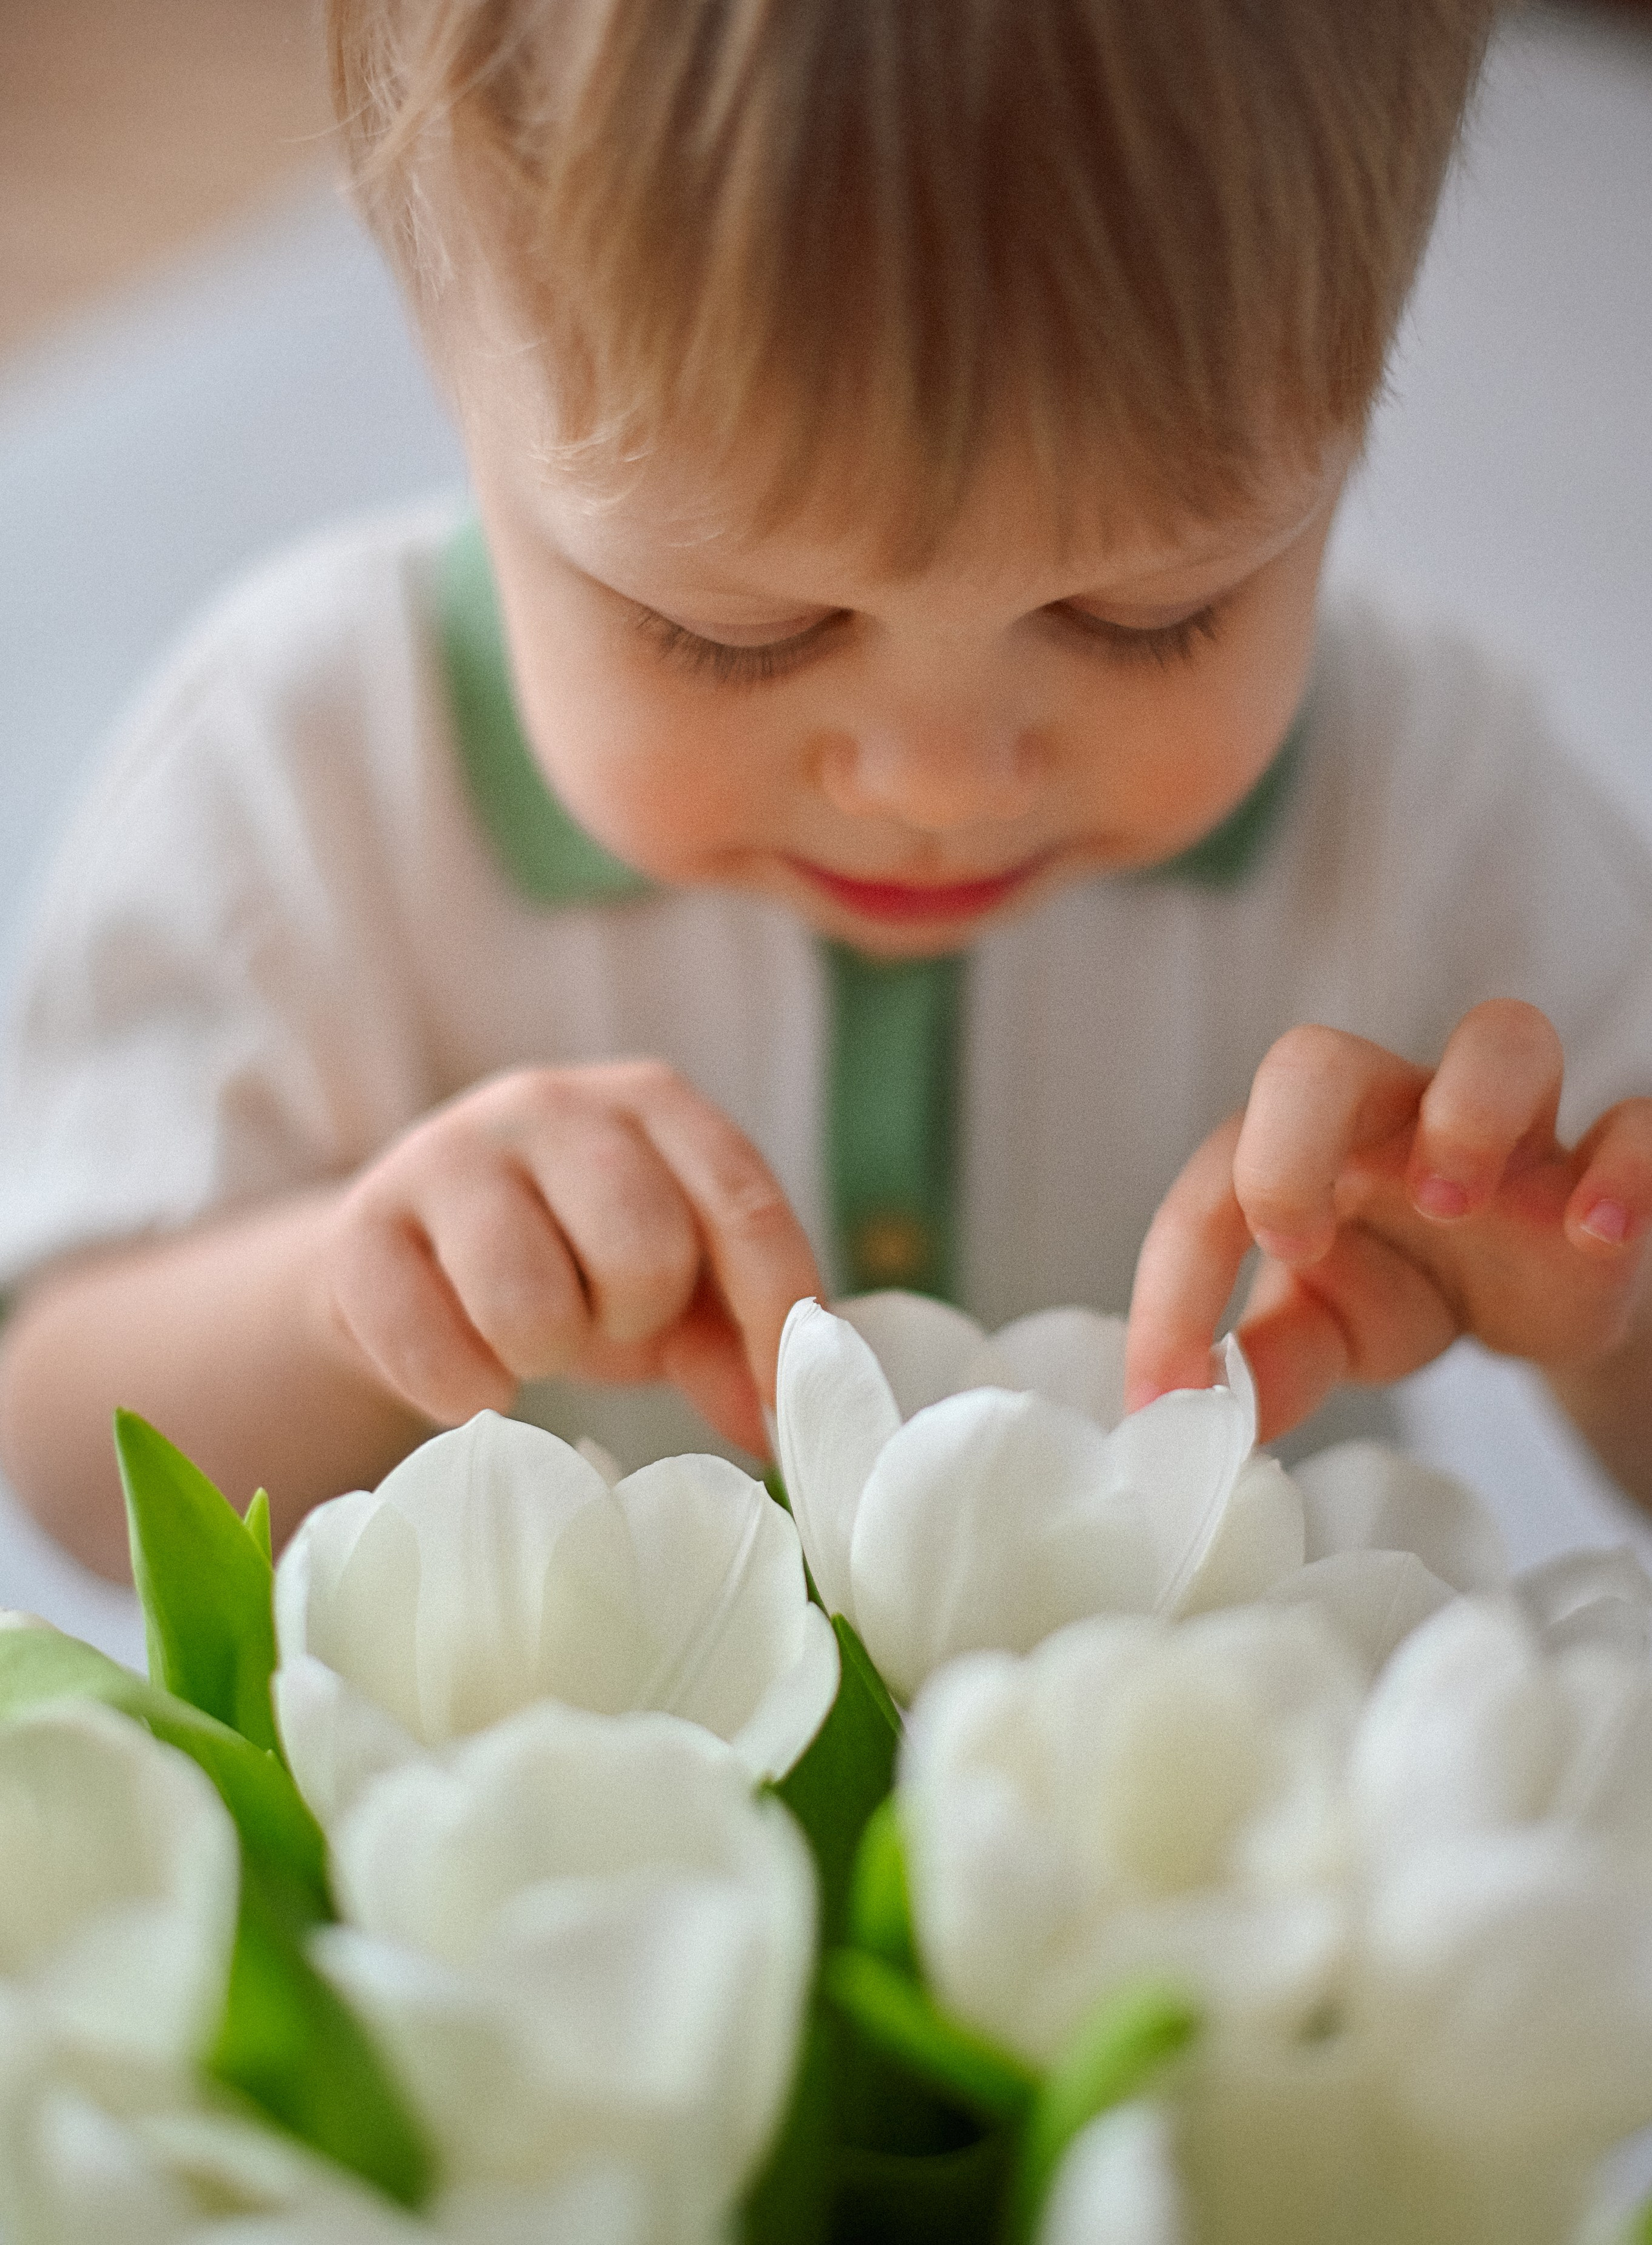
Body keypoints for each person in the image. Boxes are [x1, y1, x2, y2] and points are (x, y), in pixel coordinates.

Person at [1, 0, 1649, 1582]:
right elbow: (66, 1446)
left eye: (1149, 617)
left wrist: (1600, 1313)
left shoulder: (1423, 806)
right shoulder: (313, 778)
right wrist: (335, 1305)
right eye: (734, 633)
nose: (936, 785)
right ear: (449, 381)